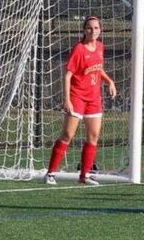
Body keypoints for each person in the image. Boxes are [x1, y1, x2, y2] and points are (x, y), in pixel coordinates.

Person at [44, 15, 117, 185]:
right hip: (77, 96)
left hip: (94, 99)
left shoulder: (100, 47)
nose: (93, 31)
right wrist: (67, 99)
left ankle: (84, 176)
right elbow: (68, 75)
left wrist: (109, 81)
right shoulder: (79, 49)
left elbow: (98, 69)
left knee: (93, 136)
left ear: (101, 30)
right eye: (90, 28)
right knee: (67, 134)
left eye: (96, 28)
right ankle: (50, 173)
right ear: (84, 30)